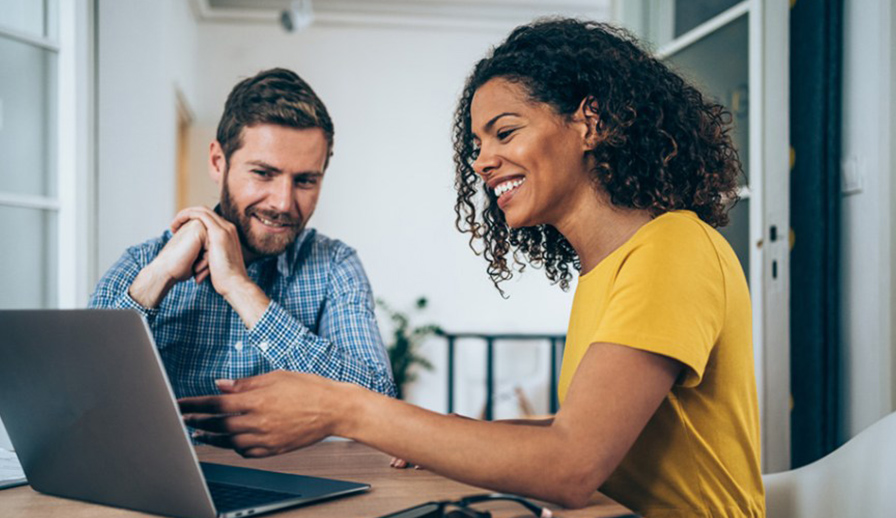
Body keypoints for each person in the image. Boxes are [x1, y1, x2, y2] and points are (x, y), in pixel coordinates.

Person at [179, 20, 764, 517]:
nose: (482, 161)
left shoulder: (671, 250)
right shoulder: (607, 269)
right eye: (476, 145)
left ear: (590, 122)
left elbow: (571, 466)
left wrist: (342, 407)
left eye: (504, 131)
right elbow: (599, 437)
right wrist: (451, 434)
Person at [90, 68, 396, 400]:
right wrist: (157, 279)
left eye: (305, 180)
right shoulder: (143, 263)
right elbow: (80, 394)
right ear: (218, 162)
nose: (283, 202)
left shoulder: (335, 264)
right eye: (263, 173)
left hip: (300, 457)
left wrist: (239, 287)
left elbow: (378, 399)